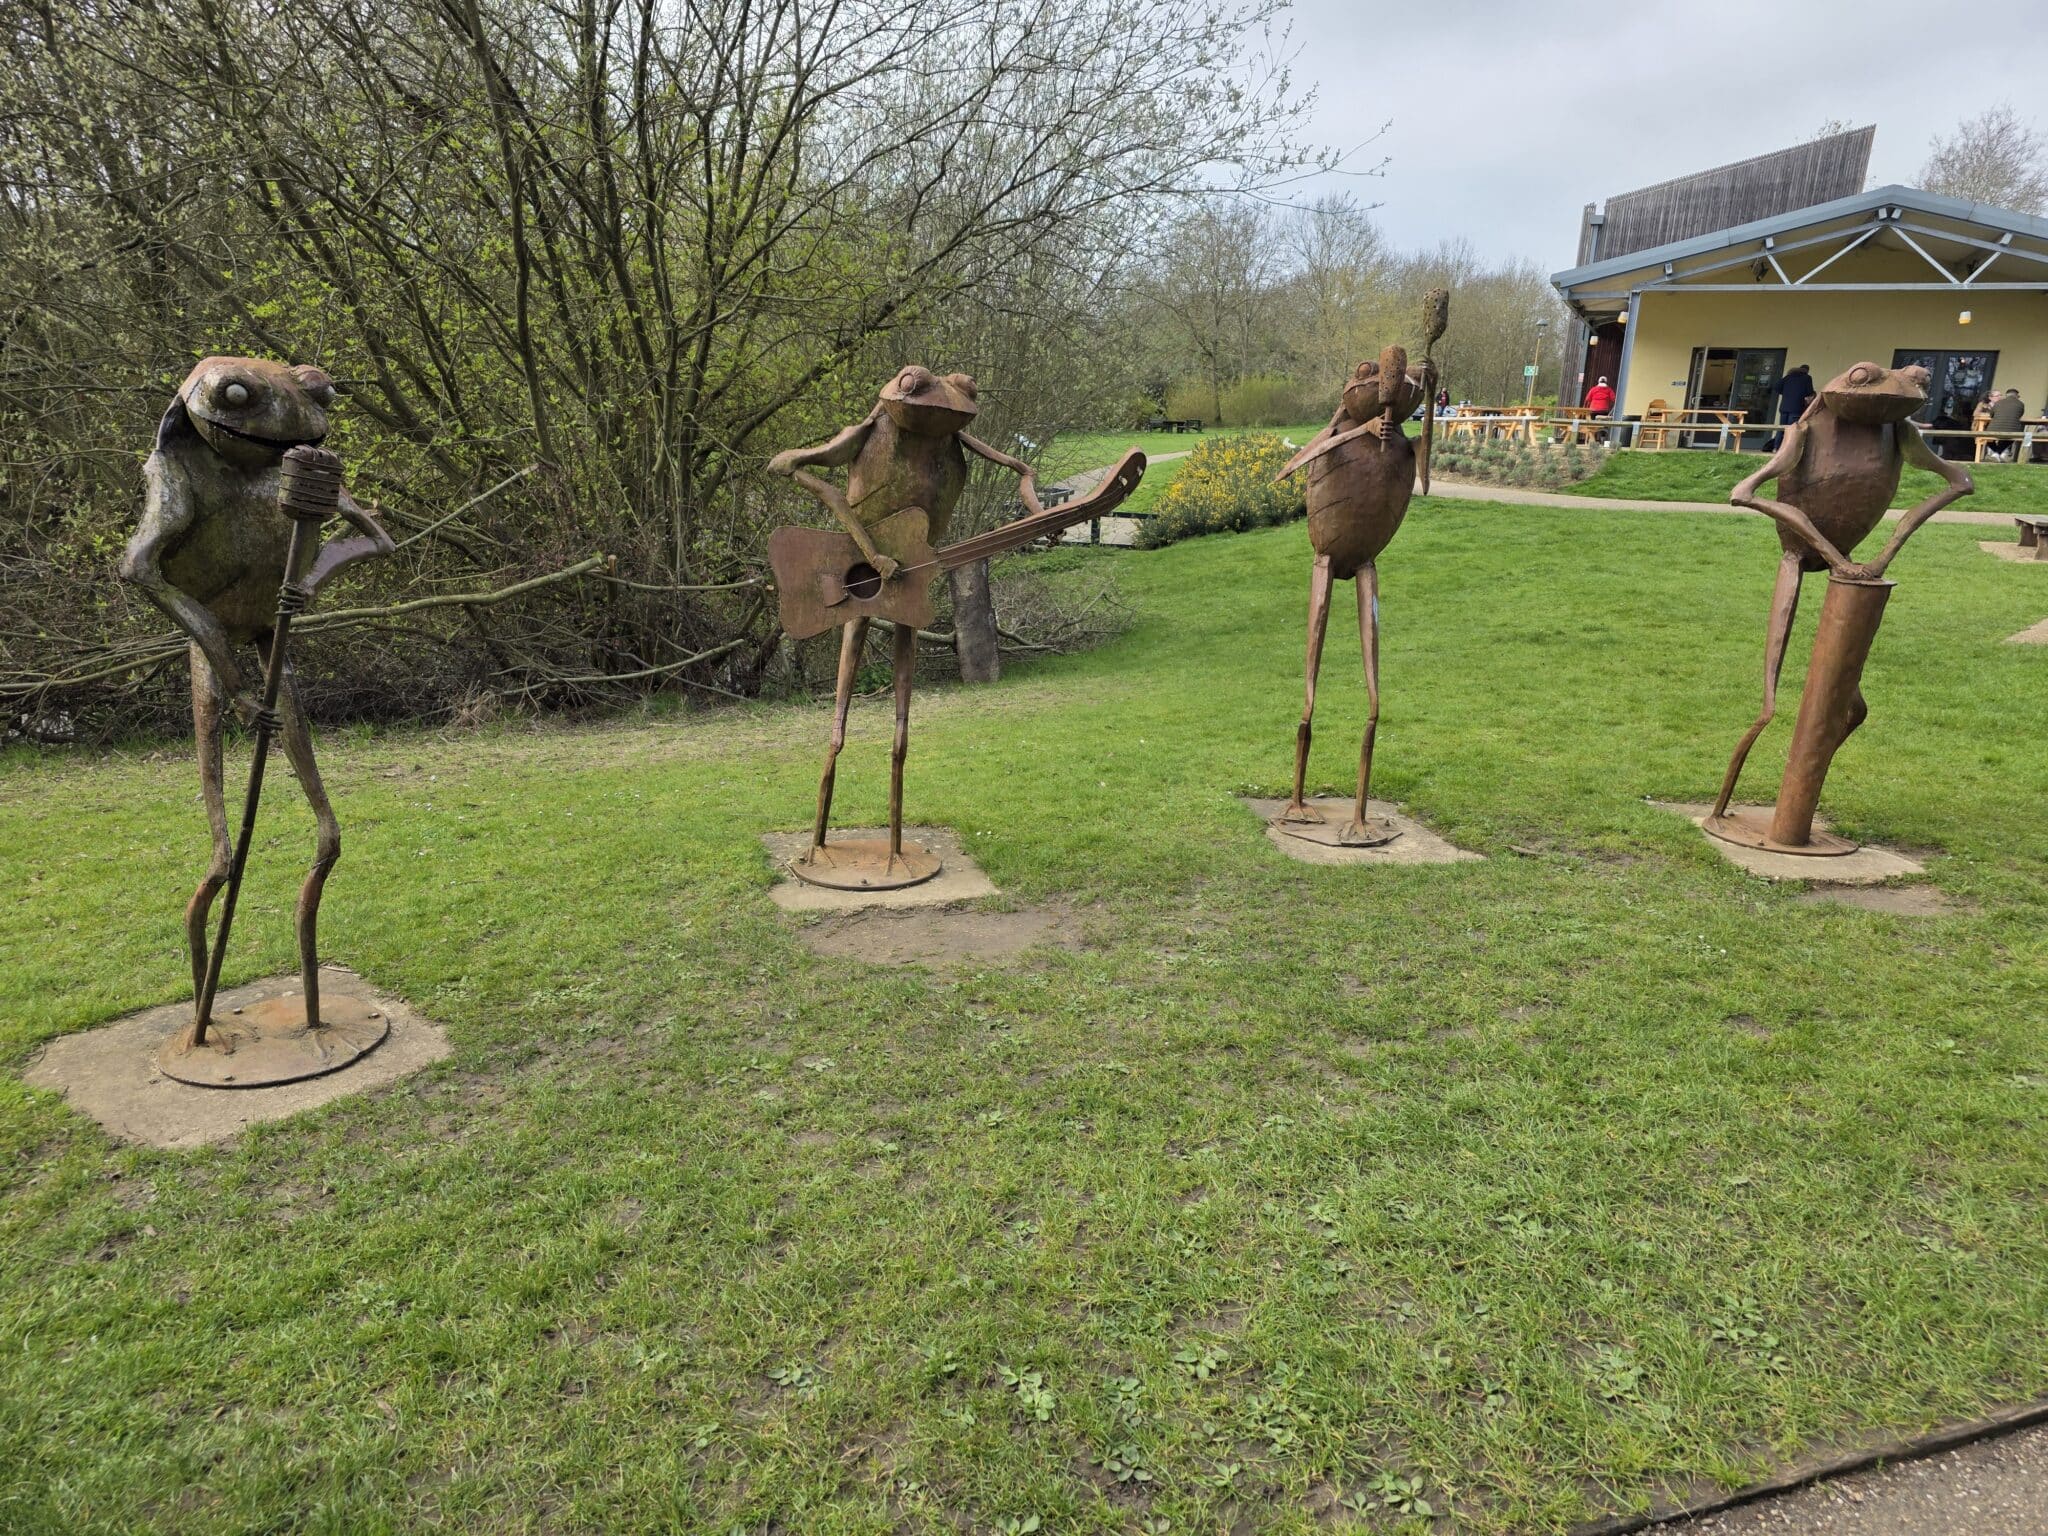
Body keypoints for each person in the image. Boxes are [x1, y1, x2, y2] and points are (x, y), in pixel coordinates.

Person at [1766, 363, 1815, 449]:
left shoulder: (1789, 377)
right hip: (1796, 407)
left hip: (1784, 407)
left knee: (1781, 428)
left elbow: (1776, 387)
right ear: (1807, 371)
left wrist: (1786, 392)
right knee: (1791, 429)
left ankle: (1777, 447)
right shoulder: (1807, 378)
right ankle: (1787, 449)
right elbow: (1809, 392)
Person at [1985, 387, 2025, 460]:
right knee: (2011, 437)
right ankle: (1998, 452)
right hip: (2013, 431)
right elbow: (2019, 415)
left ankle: (1996, 453)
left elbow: (1991, 415)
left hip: (1993, 429)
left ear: (2006, 395)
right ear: (2017, 396)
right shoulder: (2021, 404)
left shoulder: (1998, 403)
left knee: (1987, 437)